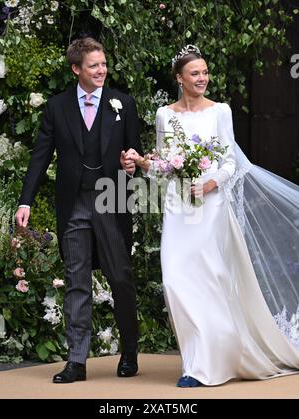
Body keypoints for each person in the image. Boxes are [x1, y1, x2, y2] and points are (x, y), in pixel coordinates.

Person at [126, 45, 299, 387]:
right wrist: (144, 163)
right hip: (178, 206)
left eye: (205, 73)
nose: (202, 79)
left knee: (210, 279)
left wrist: (209, 184)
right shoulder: (165, 115)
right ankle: (197, 359)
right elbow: (163, 165)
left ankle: (201, 366)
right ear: (180, 78)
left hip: (211, 204)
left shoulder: (220, 111)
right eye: (195, 73)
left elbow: (232, 161)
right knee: (175, 280)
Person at [15, 37, 142, 384]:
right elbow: (40, 156)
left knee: (120, 278)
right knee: (76, 283)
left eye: (103, 64)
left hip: (113, 199)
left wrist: (132, 165)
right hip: (73, 205)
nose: (102, 70)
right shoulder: (57, 107)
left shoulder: (123, 103)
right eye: (94, 66)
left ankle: (130, 349)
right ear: (76, 69)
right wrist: (25, 201)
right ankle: (76, 361)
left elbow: (136, 156)